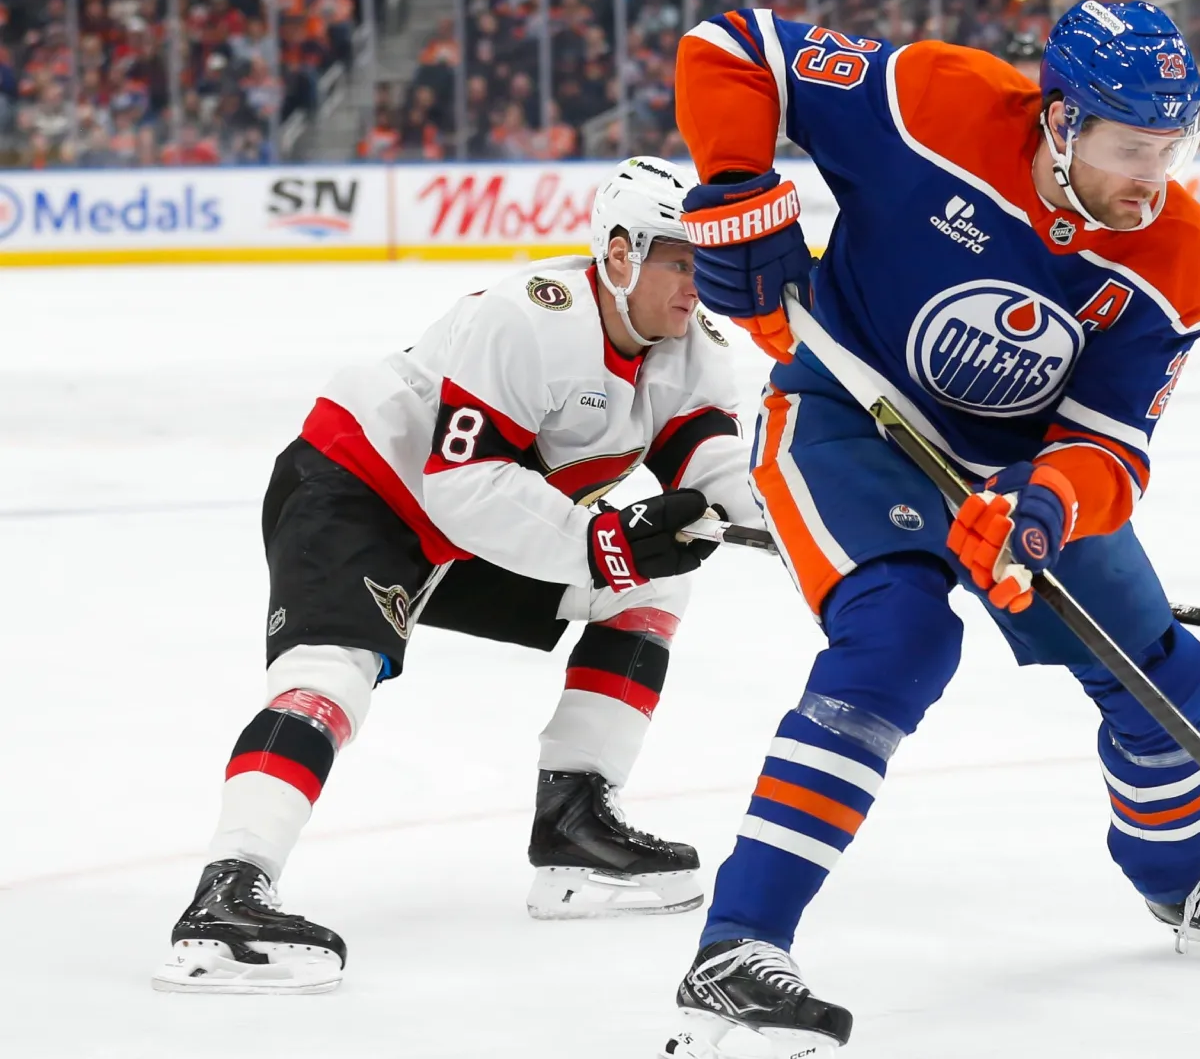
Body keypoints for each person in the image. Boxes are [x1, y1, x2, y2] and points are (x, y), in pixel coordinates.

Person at [661, 0, 1200, 1057]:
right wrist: (739, 183)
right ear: (1061, 123)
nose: (1152, 177)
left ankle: (1178, 880)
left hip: (1013, 468)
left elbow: (1111, 447)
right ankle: (737, 948)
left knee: (1166, 678)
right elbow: (734, 45)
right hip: (842, 416)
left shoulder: (1177, 259)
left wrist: (1044, 514)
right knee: (899, 640)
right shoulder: (936, 103)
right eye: (1129, 147)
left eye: (1171, 146)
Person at [151, 157, 758, 995]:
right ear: (618, 253)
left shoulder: (694, 352)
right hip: (358, 488)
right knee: (333, 675)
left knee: (652, 588)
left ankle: (574, 827)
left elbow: (725, 478)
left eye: (705, 261)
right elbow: (462, 485)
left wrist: (833, 542)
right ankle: (225, 899)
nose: (699, 282)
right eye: (680, 259)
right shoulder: (529, 321)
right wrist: (604, 541)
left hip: (464, 531)